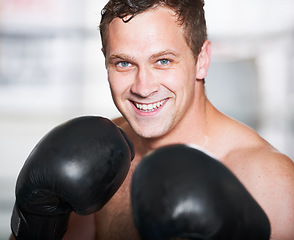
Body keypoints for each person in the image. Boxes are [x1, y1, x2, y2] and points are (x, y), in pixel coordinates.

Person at [10, 0, 294, 239]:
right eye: (124, 63)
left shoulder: (268, 182)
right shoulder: (97, 157)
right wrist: (33, 222)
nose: (143, 88)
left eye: (163, 61)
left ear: (202, 59)